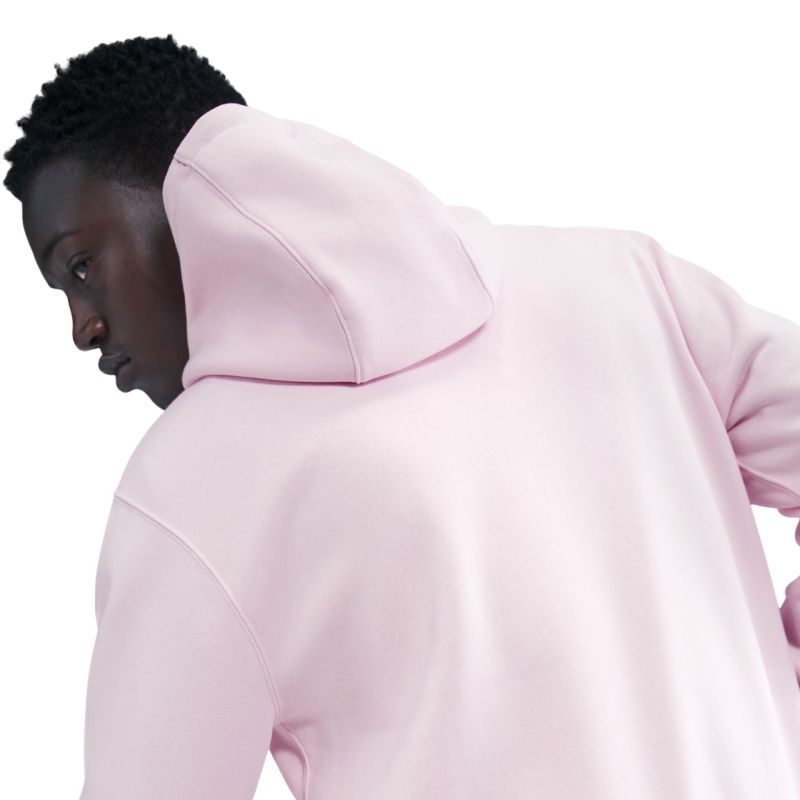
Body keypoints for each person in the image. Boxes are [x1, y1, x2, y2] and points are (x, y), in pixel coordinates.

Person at [6, 33, 800, 800]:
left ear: (189, 200)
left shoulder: (190, 486)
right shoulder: (622, 283)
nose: (83, 328)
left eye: (82, 266)